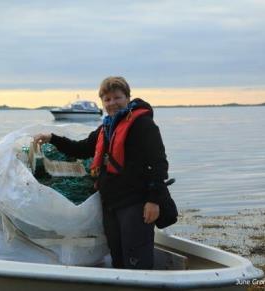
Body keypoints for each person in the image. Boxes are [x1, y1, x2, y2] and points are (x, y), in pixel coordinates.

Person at [33, 76, 170, 269]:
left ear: (128, 98)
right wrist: (52, 138)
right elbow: (81, 149)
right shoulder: (106, 128)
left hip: (135, 205)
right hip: (111, 206)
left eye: (117, 97)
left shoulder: (143, 125)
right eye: (107, 99)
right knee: (119, 260)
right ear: (102, 103)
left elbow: (158, 164)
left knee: (137, 262)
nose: (112, 103)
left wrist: (153, 201)